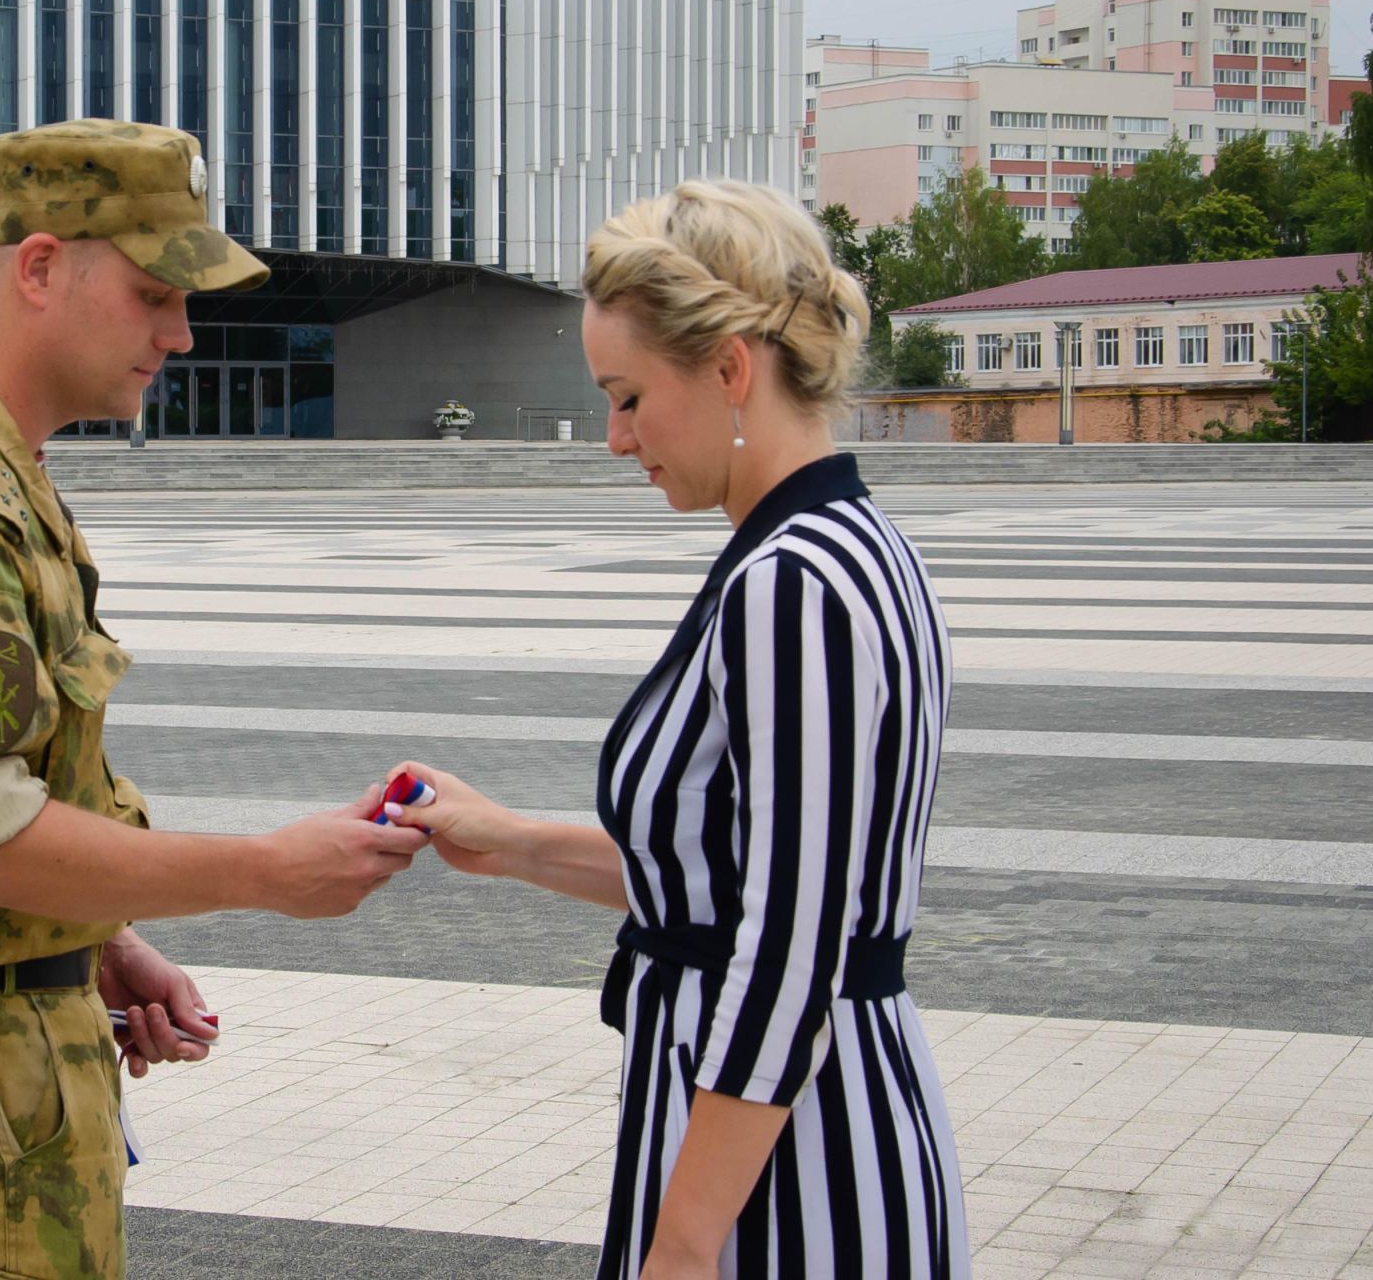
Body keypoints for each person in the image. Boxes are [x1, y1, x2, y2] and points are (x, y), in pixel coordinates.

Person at [0, 118, 431, 1280]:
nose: (182, 332)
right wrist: (265, 872)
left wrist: (97, 938)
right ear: (42, 266)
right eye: (156, 292)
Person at [386, 181, 969, 1279]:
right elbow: (749, 878)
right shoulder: (854, 545)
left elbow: (790, 953)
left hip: (783, 1168)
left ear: (729, 369)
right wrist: (511, 842)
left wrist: (685, 1243)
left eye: (626, 397)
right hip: (792, 1125)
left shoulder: (790, 583)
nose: (614, 439)